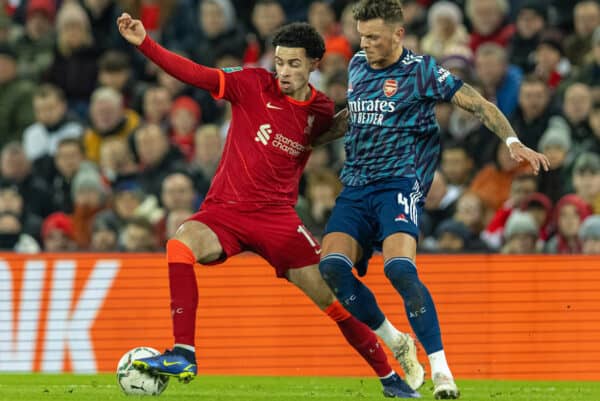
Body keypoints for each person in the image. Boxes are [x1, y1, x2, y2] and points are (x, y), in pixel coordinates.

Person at [117, 14, 419, 398]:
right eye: (279, 62)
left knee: (335, 302)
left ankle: (389, 378)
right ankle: (184, 352)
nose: (284, 71)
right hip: (224, 211)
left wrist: (373, 112)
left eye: (294, 63)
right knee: (179, 245)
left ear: (313, 64)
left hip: (277, 219)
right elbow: (195, 74)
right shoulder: (251, 84)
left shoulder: (320, 110)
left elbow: (325, 132)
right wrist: (145, 43)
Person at [317, 1, 550, 400]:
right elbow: (352, 116)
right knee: (333, 268)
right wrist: (305, 141)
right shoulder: (356, 65)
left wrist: (512, 141)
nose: (366, 43)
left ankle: (442, 371)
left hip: (399, 184)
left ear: (398, 34)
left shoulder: (421, 71)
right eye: (362, 35)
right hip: (355, 186)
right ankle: (397, 342)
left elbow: (476, 103)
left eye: (373, 36)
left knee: (400, 270)